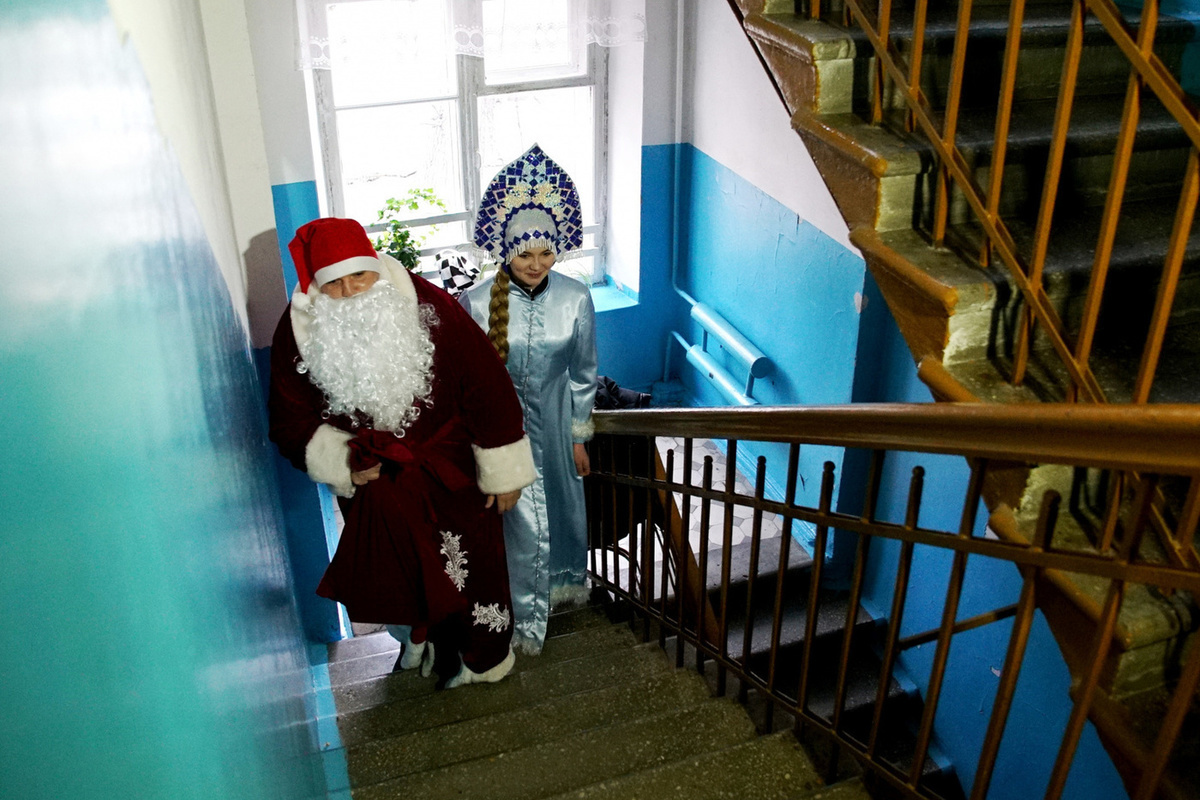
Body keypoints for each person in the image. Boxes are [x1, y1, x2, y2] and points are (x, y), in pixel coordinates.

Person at [268, 217, 536, 688]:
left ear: (376, 269)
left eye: (360, 275)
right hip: (375, 490)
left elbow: (487, 386)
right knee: (400, 575)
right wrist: (344, 459)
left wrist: (504, 470)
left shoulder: (430, 306)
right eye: (334, 283)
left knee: (469, 571)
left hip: (452, 474)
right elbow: (289, 420)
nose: (351, 292)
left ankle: (480, 656)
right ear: (315, 287)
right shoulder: (296, 332)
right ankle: (420, 642)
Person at [460, 144, 599, 655]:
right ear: (506, 251)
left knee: (560, 512)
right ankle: (516, 613)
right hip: (504, 441)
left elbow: (585, 372)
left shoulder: (576, 297)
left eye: (546, 253)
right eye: (525, 254)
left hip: (559, 427)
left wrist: (579, 435)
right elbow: (467, 385)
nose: (537, 264)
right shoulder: (475, 303)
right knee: (511, 523)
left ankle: (555, 597)